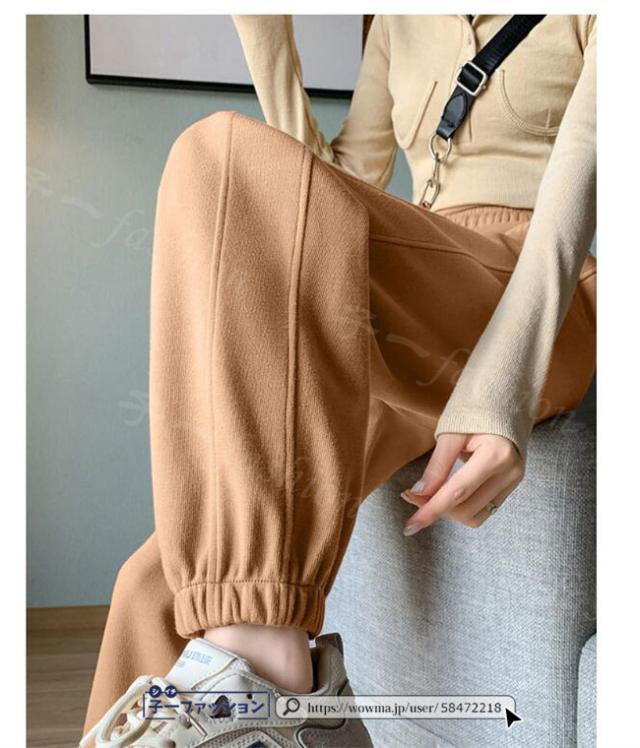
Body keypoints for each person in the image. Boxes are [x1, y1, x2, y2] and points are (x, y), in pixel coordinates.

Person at [80, 14, 596, 747]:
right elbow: (331, 190)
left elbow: (588, 155)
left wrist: (503, 386)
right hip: (413, 290)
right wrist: (265, 31)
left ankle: (267, 676)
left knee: (218, 154)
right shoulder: (399, 20)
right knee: (154, 586)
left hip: (546, 282)